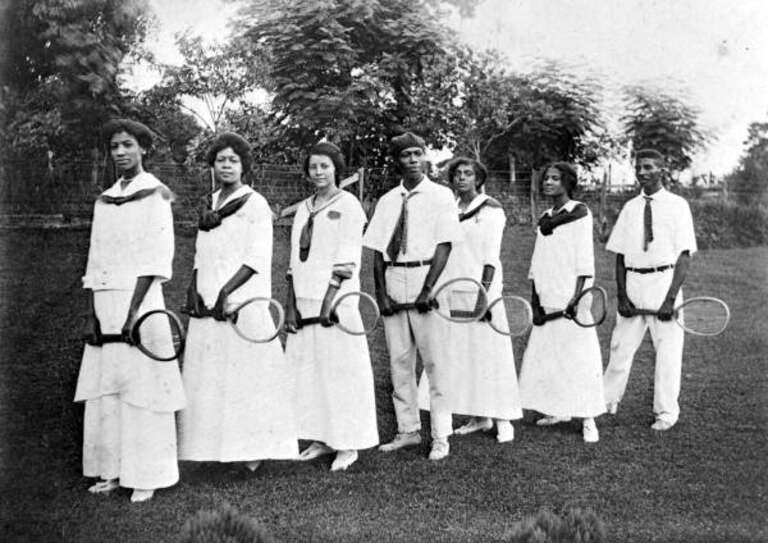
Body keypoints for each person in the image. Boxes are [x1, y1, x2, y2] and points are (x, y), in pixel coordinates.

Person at [75, 118, 185, 502]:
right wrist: (93, 314)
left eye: (127, 145)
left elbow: (156, 259)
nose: (120, 152)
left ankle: (146, 474)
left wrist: (132, 313)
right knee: (107, 389)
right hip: (105, 302)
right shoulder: (104, 200)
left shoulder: (157, 194)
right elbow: (95, 259)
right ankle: (112, 470)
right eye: (114, 147)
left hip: (140, 302)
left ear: (143, 149)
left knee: (142, 388)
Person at [178, 132, 298, 469]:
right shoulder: (209, 203)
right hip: (208, 297)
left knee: (245, 376)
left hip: (242, 298)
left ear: (244, 165)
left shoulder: (255, 203)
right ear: (213, 165)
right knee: (210, 376)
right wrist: (193, 287)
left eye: (233, 160)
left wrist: (226, 293)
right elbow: (202, 252)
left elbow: (256, 258)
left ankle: (252, 451)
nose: (226, 165)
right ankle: (212, 449)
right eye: (221, 160)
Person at [362, 132, 462, 461]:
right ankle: (407, 429)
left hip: (426, 275)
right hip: (395, 277)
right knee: (399, 361)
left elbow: (445, 244)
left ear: (426, 157)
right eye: (406, 155)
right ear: (398, 161)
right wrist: (382, 295)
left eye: (418, 153)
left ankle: (440, 435)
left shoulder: (441, 196)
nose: (413, 160)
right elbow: (377, 251)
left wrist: (428, 289)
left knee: (435, 361)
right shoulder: (388, 200)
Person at [284, 142, 378, 471]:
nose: (319, 173)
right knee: (310, 371)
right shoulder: (303, 208)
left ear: (336, 168)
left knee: (341, 372)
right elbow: (293, 261)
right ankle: (320, 437)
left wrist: (328, 302)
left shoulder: (350, 205)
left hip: (336, 301)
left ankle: (347, 443)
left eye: (325, 166)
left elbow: (348, 260)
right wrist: (292, 306)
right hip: (305, 298)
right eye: (313, 167)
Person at [417, 157, 522, 443]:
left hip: (482, 291)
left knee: (490, 356)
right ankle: (479, 417)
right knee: (458, 356)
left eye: (468, 174)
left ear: (478, 178)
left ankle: (503, 420)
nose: (461, 178)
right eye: (457, 174)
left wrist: (484, 295)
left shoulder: (492, 209)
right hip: (450, 288)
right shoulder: (448, 208)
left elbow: (491, 255)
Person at [603, 148, 697, 431]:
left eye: (648, 167)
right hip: (633, 283)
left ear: (661, 169)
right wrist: (622, 295)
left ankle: (666, 413)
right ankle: (606, 400)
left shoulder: (678, 205)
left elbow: (683, 256)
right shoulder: (631, 207)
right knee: (620, 347)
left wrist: (669, 299)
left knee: (667, 352)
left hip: (663, 282)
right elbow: (619, 255)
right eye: (638, 167)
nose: (642, 172)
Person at [518, 162, 604, 443]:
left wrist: (577, 298)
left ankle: (588, 418)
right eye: (546, 178)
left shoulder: (580, 213)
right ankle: (556, 410)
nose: (548, 182)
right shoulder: (545, 217)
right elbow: (537, 262)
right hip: (547, 294)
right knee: (549, 356)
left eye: (555, 178)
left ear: (568, 183)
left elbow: (584, 262)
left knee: (579, 357)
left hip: (571, 297)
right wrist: (536, 302)